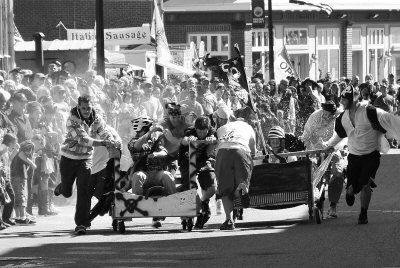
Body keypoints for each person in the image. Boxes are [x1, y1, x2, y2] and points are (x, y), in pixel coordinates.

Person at [325, 85, 400, 224]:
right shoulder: (343, 117)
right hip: (353, 156)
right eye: (342, 99)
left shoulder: (369, 111)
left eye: (345, 99)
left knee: (366, 184)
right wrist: (330, 146)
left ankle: (363, 214)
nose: (342, 101)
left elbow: (388, 119)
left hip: (371, 155)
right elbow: (340, 135)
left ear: (353, 99)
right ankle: (351, 190)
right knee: (351, 190)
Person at [54, 95, 119, 235]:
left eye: (88, 108)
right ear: (78, 107)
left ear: (92, 106)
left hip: (85, 159)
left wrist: (110, 140)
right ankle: (62, 187)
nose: (86, 111)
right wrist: (103, 143)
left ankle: (81, 224)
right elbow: (83, 139)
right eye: (83, 108)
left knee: (84, 190)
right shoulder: (72, 120)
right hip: (68, 158)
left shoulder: (97, 118)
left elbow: (104, 132)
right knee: (67, 193)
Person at [123, 117, 177, 228]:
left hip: (158, 174)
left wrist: (157, 154)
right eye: (148, 128)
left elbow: (164, 152)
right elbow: (137, 146)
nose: (150, 129)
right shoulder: (133, 141)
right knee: (138, 176)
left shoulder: (155, 141)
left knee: (167, 175)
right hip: (144, 175)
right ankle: (139, 206)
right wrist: (152, 131)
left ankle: (174, 205)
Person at [300, 101, 347, 218]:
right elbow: (306, 135)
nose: (326, 117)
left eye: (329, 115)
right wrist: (307, 145)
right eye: (325, 114)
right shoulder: (315, 116)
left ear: (334, 113)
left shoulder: (340, 116)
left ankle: (333, 206)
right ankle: (316, 202)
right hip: (316, 150)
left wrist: (332, 146)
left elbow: (344, 136)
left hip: (334, 149)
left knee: (338, 173)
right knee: (315, 175)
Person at [215, 118, 256, 230]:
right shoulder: (249, 128)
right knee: (241, 182)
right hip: (241, 149)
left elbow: (214, 147)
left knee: (224, 190)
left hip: (223, 152)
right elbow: (253, 152)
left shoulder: (221, 128)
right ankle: (241, 188)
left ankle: (229, 220)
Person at [179, 116, 217, 229]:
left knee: (211, 189)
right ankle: (197, 212)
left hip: (202, 161)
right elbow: (184, 140)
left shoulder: (211, 131)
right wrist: (189, 140)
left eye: (204, 131)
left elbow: (216, 140)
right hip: (186, 163)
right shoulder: (190, 131)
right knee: (190, 189)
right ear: (195, 128)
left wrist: (212, 140)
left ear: (208, 129)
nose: (201, 134)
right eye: (199, 131)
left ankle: (203, 204)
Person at [10, 140, 36, 224]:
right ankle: (22, 218)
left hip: (18, 176)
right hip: (18, 177)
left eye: (31, 149)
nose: (30, 151)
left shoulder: (22, 153)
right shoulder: (20, 153)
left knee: (17, 197)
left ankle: (18, 217)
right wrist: (32, 163)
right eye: (28, 149)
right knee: (20, 196)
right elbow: (22, 155)